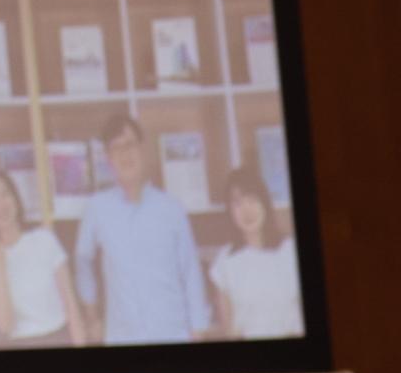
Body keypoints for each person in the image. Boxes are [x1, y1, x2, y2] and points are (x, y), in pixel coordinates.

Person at [72, 112, 208, 343]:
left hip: (174, 332)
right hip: (122, 337)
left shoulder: (172, 208)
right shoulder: (97, 208)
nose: (125, 154)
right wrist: (92, 316)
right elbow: (82, 260)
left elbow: (191, 271)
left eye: (131, 144)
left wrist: (199, 328)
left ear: (142, 149)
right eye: (116, 148)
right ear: (108, 158)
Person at [0, 165, 84, 345]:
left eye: (5, 193)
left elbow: (72, 307)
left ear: (15, 197)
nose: (1, 204)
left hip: (61, 338)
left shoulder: (44, 240)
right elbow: (5, 326)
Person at [210, 166, 302, 340]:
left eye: (252, 200)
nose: (246, 210)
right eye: (237, 203)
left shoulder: (290, 251)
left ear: (264, 203)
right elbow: (228, 331)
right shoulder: (225, 261)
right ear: (229, 211)